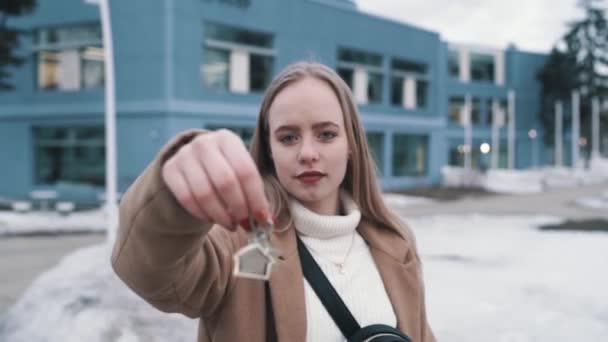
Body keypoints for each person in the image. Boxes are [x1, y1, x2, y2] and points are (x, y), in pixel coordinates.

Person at [111, 61, 436, 342]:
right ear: (268, 149)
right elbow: (154, 275)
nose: (308, 153)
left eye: (326, 134)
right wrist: (173, 194)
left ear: (351, 143)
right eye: (288, 137)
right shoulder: (249, 246)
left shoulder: (395, 242)